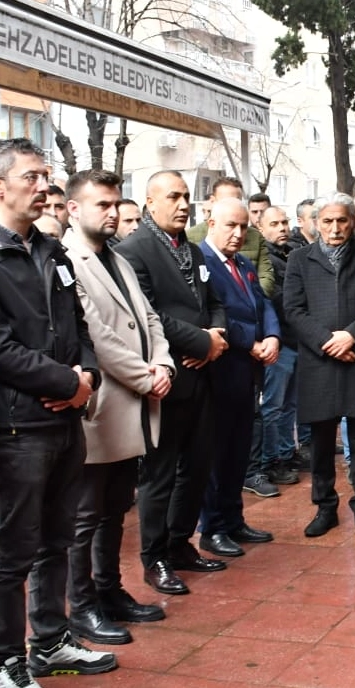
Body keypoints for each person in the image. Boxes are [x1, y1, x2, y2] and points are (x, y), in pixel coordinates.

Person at [0, 138, 114, 688]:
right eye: (33, 174)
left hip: (67, 417)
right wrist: (67, 383)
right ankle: (7, 661)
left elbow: (80, 328)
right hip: (19, 426)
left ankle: (51, 642)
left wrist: (86, 378)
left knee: (58, 539)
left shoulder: (53, 250)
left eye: (47, 174)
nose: (45, 184)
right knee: (15, 550)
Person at [62, 170, 173, 646]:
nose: (111, 213)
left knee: (114, 510)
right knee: (87, 515)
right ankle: (82, 606)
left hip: (137, 400)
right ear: (73, 209)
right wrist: (146, 375)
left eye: (115, 204)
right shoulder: (68, 259)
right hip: (104, 404)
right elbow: (96, 335)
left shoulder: (117, 258)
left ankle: (110, 592)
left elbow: (148, 316)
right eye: (101, 205)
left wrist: (164, 361)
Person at [115, 170, 229, 596]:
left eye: (186, 197)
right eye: (174, 197)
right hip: (168, 379)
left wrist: (215, 339)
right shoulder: (133, 251)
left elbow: (213, 301)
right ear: (149, 201)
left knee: (197, 468)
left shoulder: (194, 251)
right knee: (160, 475)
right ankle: (154, 557)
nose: (184, 205)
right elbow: (147, 314)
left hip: (203, 377)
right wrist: (200, 341)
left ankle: (181, 544)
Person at [284, 193, 355, 538]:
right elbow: (293, 310)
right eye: (327, 221)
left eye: (342, 220)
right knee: (321, 442)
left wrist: (352, 336)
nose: (335, 228)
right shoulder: (299, 259)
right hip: (319, 361)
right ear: (316, 224)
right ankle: (325, 507)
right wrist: (330, 342)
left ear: (352, 221)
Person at [196, 198, 278, 557]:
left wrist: (273, 335)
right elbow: (213, 316)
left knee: (238, 451)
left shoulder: (242, 263)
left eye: (244, 226)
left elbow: (263, 303)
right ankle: (212, 527)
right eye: (231, 225)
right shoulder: (201, 262)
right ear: (210, 222)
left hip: (247, 373)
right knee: (216, 454)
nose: (238, 233)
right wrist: (253, 342)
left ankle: (233, 519)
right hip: (220, 371)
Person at [257, 206, 305, 483]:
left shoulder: (291, 255)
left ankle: (287, 454)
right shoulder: (266, 262)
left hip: (295, 340)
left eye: (285, 222)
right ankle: (269, 461)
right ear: (261, 228)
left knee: (290, 405)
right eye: (274, 223)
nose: (282, 227)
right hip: (278, 342)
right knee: (273, 407)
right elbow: (279, 301)